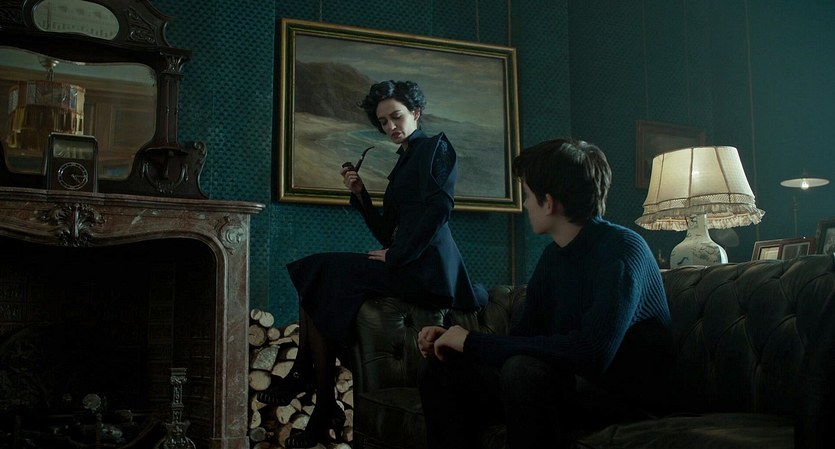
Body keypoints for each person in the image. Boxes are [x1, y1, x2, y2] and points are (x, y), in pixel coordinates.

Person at [258, 80, 487, 449]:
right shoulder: (404, 161)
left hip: (429, 271)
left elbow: (439, 211)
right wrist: (361, 194)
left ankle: (310, 385)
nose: (390, 126)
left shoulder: (436, 148)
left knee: (318, 267)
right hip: (407, 263)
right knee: (319, 274)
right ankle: (323, 402)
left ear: (416, 112)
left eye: (397, 116)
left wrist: (397, 255)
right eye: (383, 122)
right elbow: (388, 232)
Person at [417, 138, 673, 449]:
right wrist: (456, 342)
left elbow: (592, 353)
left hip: (624, 400)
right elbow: (524, 337)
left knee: (523, 370)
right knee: (441, 367)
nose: (525, 204)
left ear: (548, 203)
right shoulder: (553, 256)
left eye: (527, 195)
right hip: (570, 387)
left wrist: (472, 341)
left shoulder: (623, 250)